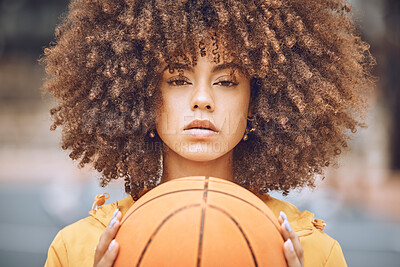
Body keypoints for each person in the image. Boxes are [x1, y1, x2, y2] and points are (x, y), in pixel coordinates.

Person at [42, 0, 374, 266]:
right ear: (140, 98)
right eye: (178, 79)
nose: (202, 99)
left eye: (227, 81)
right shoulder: (76, 250)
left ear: (257, 102)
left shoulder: (315, 253)